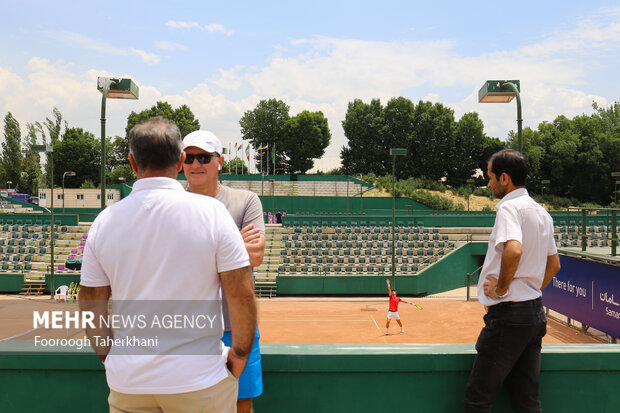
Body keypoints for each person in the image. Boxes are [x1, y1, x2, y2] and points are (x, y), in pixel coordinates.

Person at [78, 117, 257, 413]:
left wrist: (109, 356)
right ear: (181, 161)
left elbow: (90, 301)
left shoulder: (104, 221)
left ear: (133, 163)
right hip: (200, 380)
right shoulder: (213, 213)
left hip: (129, 382)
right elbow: (242, 294)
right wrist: (239, 354)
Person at [464, 149, 561, 412]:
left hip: (508, 317)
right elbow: (554, 265)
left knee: (477, 400)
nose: (488, 183)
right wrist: (528, 291)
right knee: (527, 401)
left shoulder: (509, 207)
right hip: (534, 313)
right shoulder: (542, 212)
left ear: (504, 178)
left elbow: (514, 249)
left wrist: (502, 289)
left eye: (491, 177)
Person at [183, 130, 265, 413]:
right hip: (186, 328)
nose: (196, 164)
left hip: (236, 327)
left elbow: (254, 256)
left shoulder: (246, 200)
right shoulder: (171, 204)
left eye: (204, 157)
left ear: (219, 162)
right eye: (189, 157)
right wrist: (230, 251)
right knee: (186, 403)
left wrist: (196, 255)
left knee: (241, 404)